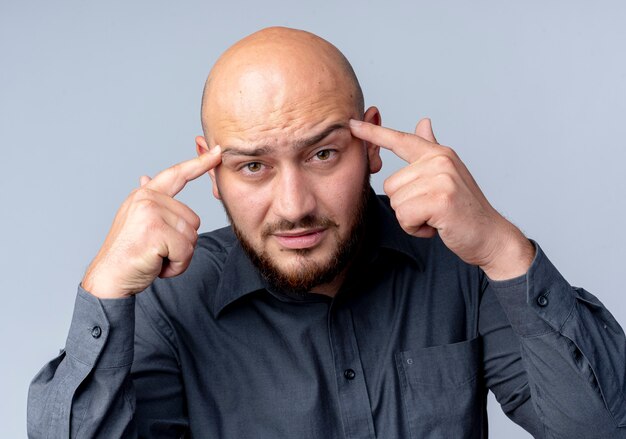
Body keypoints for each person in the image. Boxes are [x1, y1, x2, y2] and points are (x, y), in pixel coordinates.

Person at [28, 26, 626, 438]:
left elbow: (603, 427)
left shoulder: (459, 264)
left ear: (370, 142)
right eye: (253, 166)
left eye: (321, 155)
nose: (293, 207)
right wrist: (103, 290)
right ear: (211, 170)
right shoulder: (170, 304)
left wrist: (500, 247)